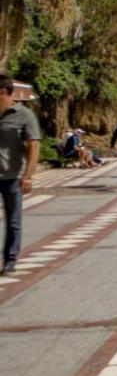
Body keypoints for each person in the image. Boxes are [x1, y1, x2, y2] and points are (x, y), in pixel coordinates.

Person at [0, 75, 41, 275]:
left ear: (3, 93)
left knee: (13, 221)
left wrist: (28, 175)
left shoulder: (24, 115)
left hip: (12, 177)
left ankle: (10, 259)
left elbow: (33, 146)